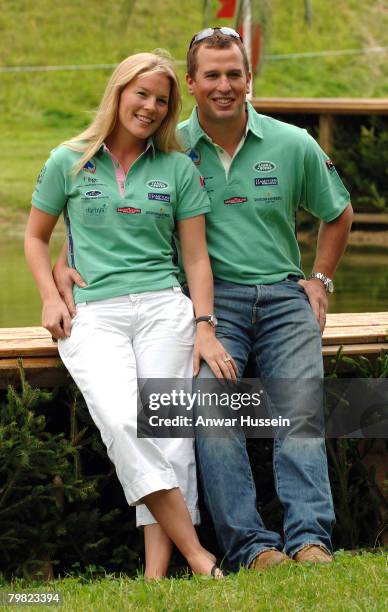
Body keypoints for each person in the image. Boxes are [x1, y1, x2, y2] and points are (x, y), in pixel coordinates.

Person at [53, 30, 353, 571]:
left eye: (233, 74)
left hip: (286, 296)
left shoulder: (292, 143)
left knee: (297, 408)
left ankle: (310, 540)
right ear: (190, 84)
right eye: (210, 75)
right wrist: (63, 262)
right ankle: (251, 547)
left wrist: (321, 279)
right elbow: (109, 218)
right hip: (207, 307)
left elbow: (339, 212)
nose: (224, 85)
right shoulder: (167, 149)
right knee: (213, 413)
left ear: (248, 78)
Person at [25, 50, 237, 580]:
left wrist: (204, 325)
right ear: (118, 92)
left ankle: (155, 578)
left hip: (165, 308)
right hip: (94, 313)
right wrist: (51, 294)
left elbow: (195, 258)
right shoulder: (68, 160)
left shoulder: (177, 168)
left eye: (161, 101)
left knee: (170, 435)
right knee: (123, 421)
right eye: (140, 93)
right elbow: (34, 236)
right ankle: (198, 554)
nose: (149, 107)